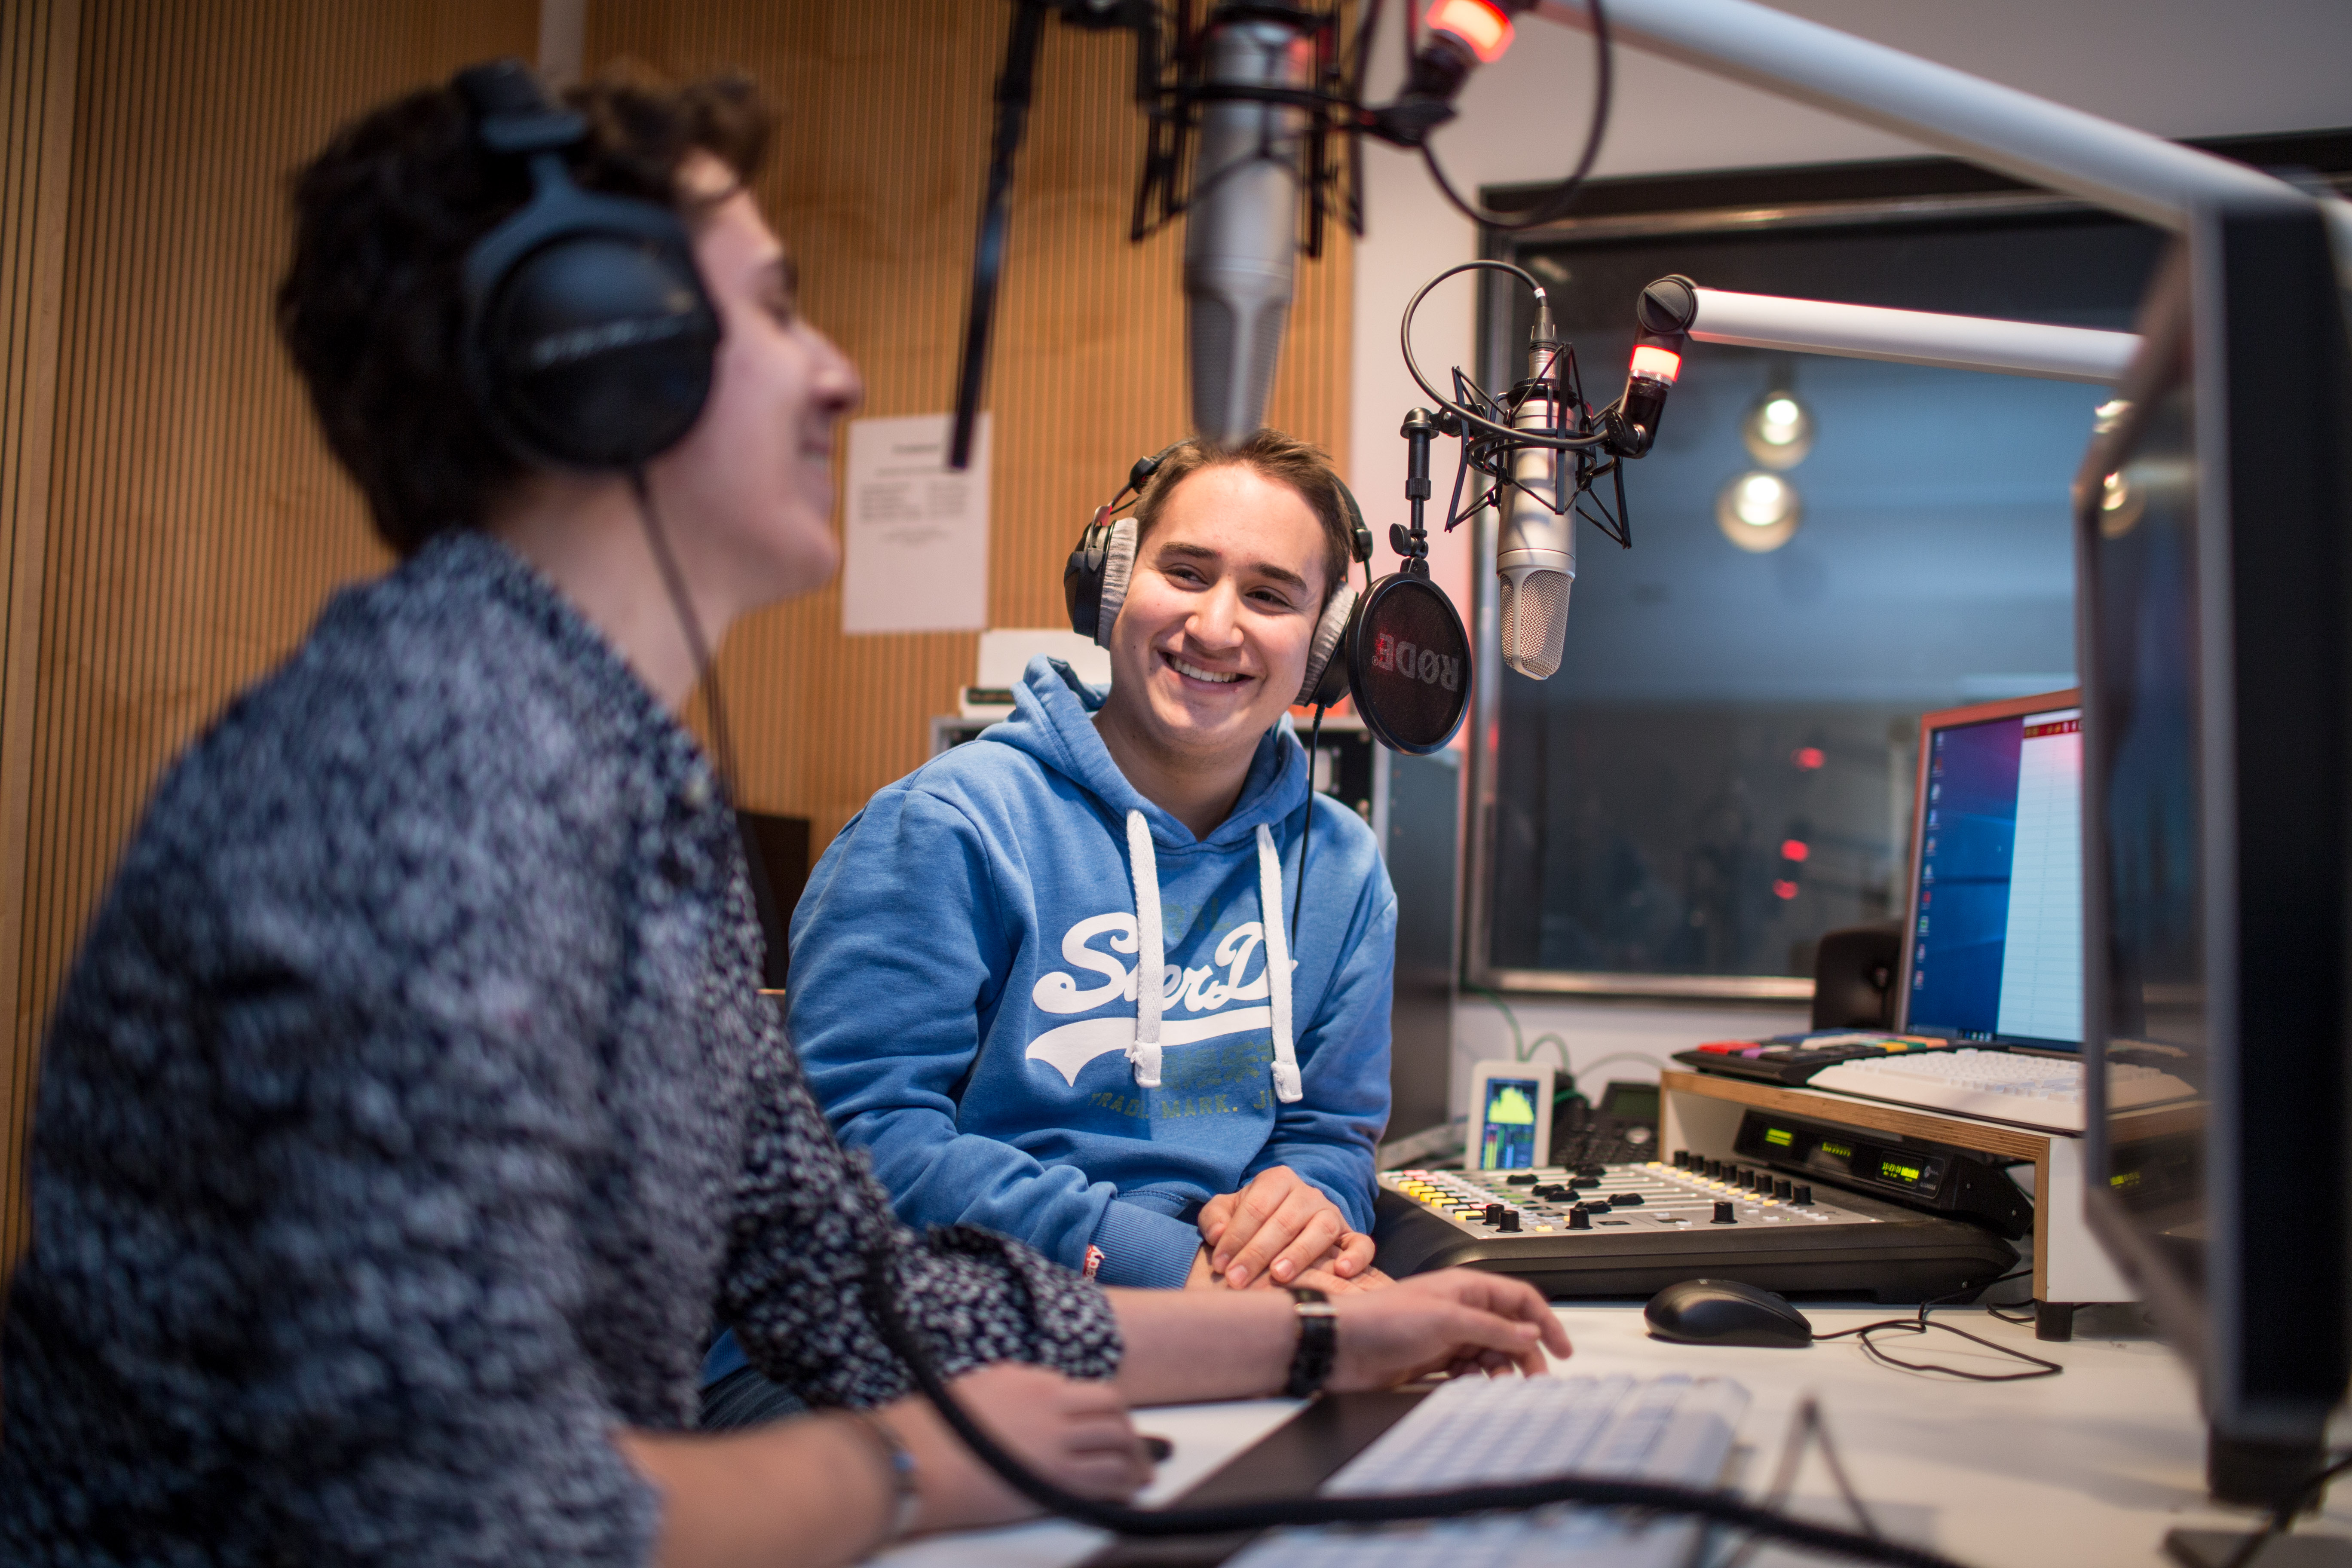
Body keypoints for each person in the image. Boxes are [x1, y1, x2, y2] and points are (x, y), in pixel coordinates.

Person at [0, 61, 1570, 1568]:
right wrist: (904, 1467)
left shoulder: (618, 773)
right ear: (595, 359)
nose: (839, 371)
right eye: (769, 308)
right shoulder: (427, 775)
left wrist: (1322, 1333)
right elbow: (443, 1508)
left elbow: (840, 1278)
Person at [781, 431, 1398, 1307]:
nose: (1215, 626)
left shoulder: (1341, 867)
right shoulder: (948, 826)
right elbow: (861, 1140)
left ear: (1325, 645)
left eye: (1268, 595)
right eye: (1185, 573)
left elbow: (1330, 1133)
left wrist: (1307, 1202)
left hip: (1228, 1300)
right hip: (954, 1308)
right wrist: (1165, 1266)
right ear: (1111, 584)